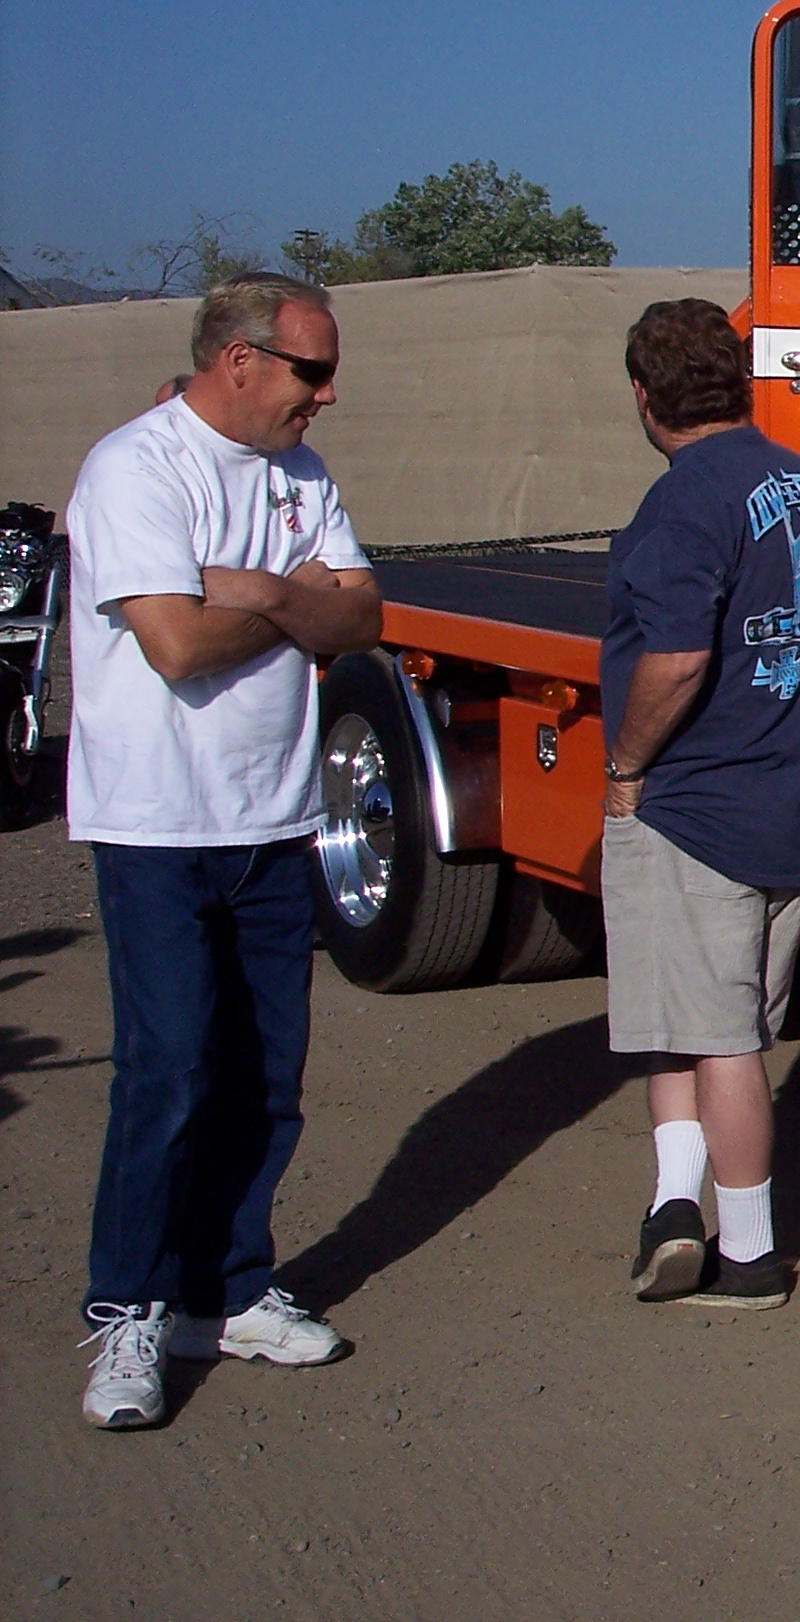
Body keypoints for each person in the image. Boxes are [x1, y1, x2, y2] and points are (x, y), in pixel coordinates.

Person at [66, 273, 380, 1430]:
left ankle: (228, 1291)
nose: (326, 394)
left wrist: (262, 593)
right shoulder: (135, 469)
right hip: (158, 823)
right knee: (168, 1071)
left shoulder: (304, 476)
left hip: (275, 819)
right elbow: (178, 646)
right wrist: (294, 598)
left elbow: (363, 618)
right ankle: (129, 1311)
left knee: (264, 1079)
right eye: (312, 371)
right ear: (239, 359)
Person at [600, 299, 800, 1310]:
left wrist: (626, 766)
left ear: (645, 396)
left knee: (721, 1045)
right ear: (739, 382)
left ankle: (751, 1254)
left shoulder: (682, 501)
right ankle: (672, 1207)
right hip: (788, 803)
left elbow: (675, 659)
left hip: (696, 808)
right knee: (683, 1018)